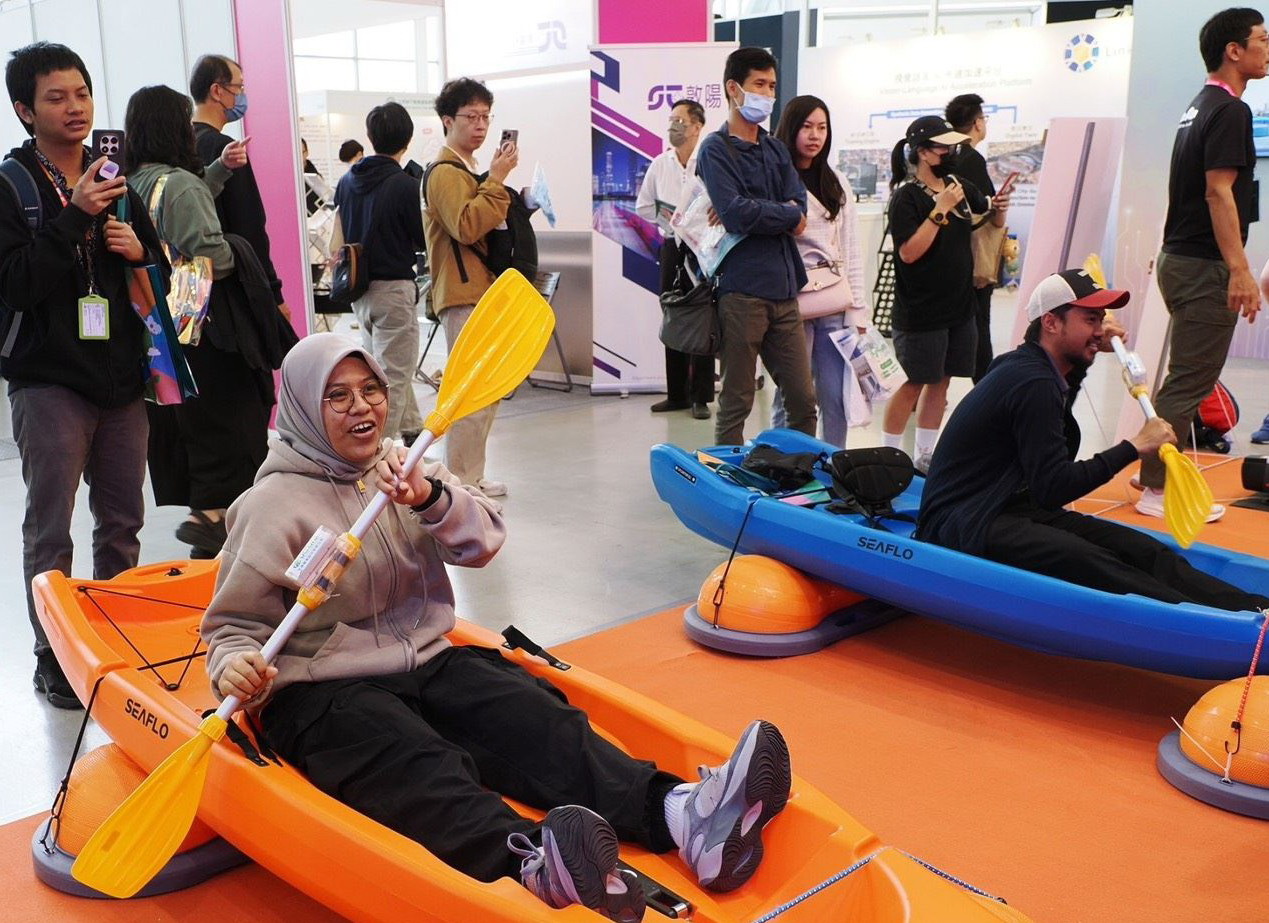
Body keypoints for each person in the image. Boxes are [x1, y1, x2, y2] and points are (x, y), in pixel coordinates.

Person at [202, 333, 792, 921]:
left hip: (427, 658)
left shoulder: (406, 467)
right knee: (416, 761)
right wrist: (232, 665)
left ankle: (683, 816)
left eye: (371, 390)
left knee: (536, 719)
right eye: (338, 396)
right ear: (305, 408)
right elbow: (230, 627)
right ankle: (534, 865)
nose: (362, 407)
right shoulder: (270, 506)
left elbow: (483, 540)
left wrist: (429, 498)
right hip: (322, 688)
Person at [917, 269, 1269, 613]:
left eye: (1101, 320)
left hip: (1008, 507)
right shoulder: (1031, 381)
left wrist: (1088, 349)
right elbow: (1054, 488)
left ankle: (1256, 610)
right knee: (1093, 562)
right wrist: (1133, 447)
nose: (1100, 330)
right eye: (1089, 320)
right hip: (964, 520)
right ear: (1051, 322)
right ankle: (1218, 626)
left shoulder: (1034, 368)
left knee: (1144, 550)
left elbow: (1055, 430)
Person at [1, 42, 164, 708]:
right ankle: (54, 654)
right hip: (48, 380)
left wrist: (139, 249)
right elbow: (16, 282)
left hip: (122, 377)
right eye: (56, 97)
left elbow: (158, 272)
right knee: (51, 527)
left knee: (122, 522)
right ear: (25, 110)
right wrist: (77, 216)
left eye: (82, 93)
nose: (75, 107)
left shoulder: (114, 173)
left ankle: (115, 638)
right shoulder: (12, 186)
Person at [126, 84, 280, 558]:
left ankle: (208, 516)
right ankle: (216, 517)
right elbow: (210, 252)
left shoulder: (135, 182)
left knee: (193, 419)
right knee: (235, 417)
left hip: (161, 322)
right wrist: (240, 250)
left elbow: (170, 215)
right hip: (206, 322)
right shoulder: (181, 184)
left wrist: (218, 171)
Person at [1138, 7, 1268, 521]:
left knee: (1183, 377)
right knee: (1190, 380)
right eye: (1262, 39)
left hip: (1181, 258)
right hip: (1202, 265)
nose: (1268, 48)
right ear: (1234, 50)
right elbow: (1219, 194)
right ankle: (1157, 489)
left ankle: (1153, 470)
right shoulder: (1230, 111)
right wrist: (1239, 269)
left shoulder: (1200, 105)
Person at [695, 46, 817, 446]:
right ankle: (724, 473)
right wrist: (782, 213)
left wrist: (769, 211)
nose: (767, 94)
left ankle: (796, 470)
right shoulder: (715, 149)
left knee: (803, 400)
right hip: (742, 291)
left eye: (772, 86)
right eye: (759, 85)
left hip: (785, 288)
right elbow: (735, 214)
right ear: (734, 88)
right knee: (737, 399)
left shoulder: (775, 148)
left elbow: (801, 210)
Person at [882, 115, 1008, 473]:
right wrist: (939, 210)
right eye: (943, 148)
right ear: (923, 152)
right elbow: (909, 253)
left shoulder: (957, 185)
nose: (951, 154)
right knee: (913, 382)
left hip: (959, 306)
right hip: (921, 310)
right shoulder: (907, 197)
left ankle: (925, 455)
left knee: (942, 380)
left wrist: (1000, 208)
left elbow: (989, 217)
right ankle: (889, 458)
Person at [422, 77, 517, 496]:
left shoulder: (464, 169)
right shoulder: (445, 172)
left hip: (478, 290)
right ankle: (460, 480)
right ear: (448, 120)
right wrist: (496, 180)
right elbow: (465, 226)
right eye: (471, 117)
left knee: (483, 390)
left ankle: (470, 474)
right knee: (470, 393)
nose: (480, 126)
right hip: (463, 292)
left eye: (485, 117)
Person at [770, 94, 868, 448]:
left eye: (822, 128)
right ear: (791, 129)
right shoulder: (775, 179)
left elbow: (851, 248)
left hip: (833, 299)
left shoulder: (835, 181)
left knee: (835, 394)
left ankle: (833, 461)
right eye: (807, 127)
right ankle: (783, 459)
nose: (815, 136)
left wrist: (858, 309)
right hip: (789, 301)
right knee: (792, 395)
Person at [334, 101, 426, 443]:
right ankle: (372, 453)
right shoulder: (404, 185)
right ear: (408, 139)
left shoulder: (346, 182)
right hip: (394, 290)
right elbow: (421, 239)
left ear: (370, 137)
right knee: (393, 380)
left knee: (383, 370)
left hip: (359, 291)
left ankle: (412, 434)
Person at [190, 53, 290, 322]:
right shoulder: (227, 150)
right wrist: (274, 294)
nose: (243, 95)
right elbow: (250, 225)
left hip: (194, 288)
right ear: (217, 91)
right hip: (234, 285)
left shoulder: (182, 145)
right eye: (239, 87)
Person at [636, 98, 713, 419]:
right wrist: (666, 215)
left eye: (680, 120)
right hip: (671, 245)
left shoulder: (708, 161)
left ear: (697, 126)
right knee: (673, 313)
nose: (673, 126)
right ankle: (677, 394)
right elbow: (643, 206)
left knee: (703, 316)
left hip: (703, 248)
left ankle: (701, 396)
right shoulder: (660, 164)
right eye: (671, 120)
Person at [944, 92, 999, 384]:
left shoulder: (948, 156)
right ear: (978, 123)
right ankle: (987, 390)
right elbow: (984, 208)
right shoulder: (972, 159)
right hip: (973, 256)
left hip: (950, 257)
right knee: (979, 326)